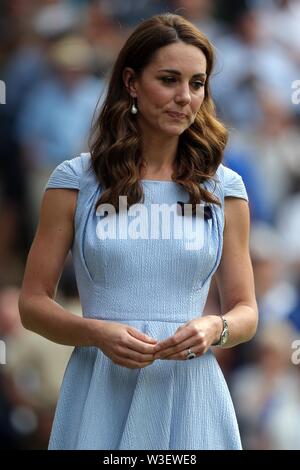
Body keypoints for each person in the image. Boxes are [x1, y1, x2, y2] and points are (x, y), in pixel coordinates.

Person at [18, 13, 258, 450]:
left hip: (192, 391)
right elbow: (32, 304)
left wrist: (214, 328)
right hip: (99, 390)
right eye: (169, 80)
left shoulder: (225, 188)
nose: (185, 97)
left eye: (197, 83)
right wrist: (96, 332)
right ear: (131, 82)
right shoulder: (75, 180)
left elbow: (246, 311)